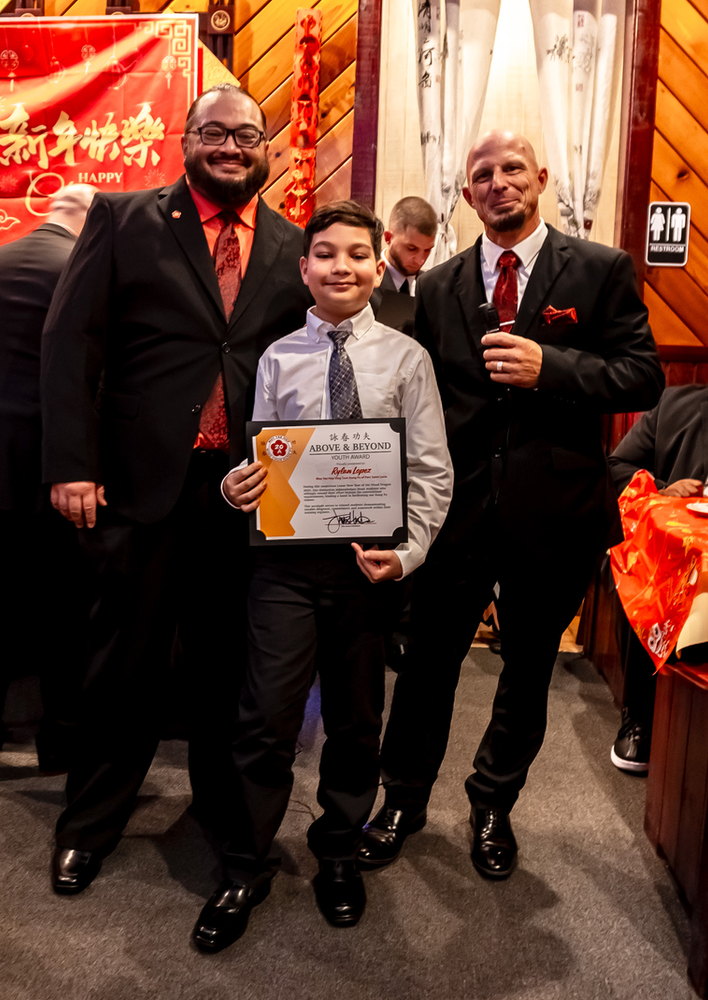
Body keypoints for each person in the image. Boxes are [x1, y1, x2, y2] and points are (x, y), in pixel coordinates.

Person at [359, 130, 664, 880]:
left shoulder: (599, 270)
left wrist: (550, 367)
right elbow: (416, 400)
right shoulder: (439, 285)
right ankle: (401, 799)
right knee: (427, 666)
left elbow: (642, 376)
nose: (498, 183)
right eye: (482, 174)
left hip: (552, 514)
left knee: (527, 672)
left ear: (543, 179)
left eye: (512, 170)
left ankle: (494, 805)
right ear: (467, 193)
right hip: (454, 515)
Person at [40, 84, 312, 895]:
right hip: (136, 487)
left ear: (269, 148)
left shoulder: (294, 244)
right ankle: (90, 821)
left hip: (246, 494)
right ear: (185, 139)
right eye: (214, 133)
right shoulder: (124, 220)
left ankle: (222, 815)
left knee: (228, 670)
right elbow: (68, 342)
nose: (231, 147)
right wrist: (69, 463)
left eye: (247, 136)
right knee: (122, 664)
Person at [190, 200, 453, 952]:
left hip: (366, 568)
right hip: (283, 567)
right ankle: (245, 863)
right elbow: (265, 458)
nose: (341, 266)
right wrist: (235, 485)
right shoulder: (278, 357)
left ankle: (339, 850)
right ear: (304, 268)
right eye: (325, 254)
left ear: (380, 266)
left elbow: (432, 472)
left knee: (355, 719)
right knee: (265, 716)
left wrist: (407, 554)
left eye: (356, 255)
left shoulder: (408, 360)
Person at [0, 184, 95, 771]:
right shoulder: (77, 268)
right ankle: (59, 741)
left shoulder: (5, 256)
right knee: (63, 608)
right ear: (88, 221)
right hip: (45, 466)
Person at [607, 383, 708, 772]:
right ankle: (639, 719)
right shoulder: (674, 404)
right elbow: (617, 466)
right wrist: (664, 490)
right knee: (643, 568)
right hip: (669, 553)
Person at [370, 196, 437, 334]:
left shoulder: (434, 286)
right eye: (411, 249)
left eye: (427, 250)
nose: (420, 260)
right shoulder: (366, 281)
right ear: (389, 238)